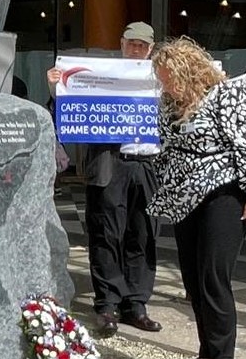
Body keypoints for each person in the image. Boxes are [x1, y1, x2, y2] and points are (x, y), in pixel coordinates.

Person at [149, 37, 246, 359]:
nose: (164, 83)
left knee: (213, 276)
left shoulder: (227, 95)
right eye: (160, 77)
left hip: (225, 193)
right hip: (186, 196)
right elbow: (167, 146)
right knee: (191, 277)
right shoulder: (169, 103)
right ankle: (206, 353)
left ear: (188, 71)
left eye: (168, 76)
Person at [46, 21, 162, 337]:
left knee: (143, 235)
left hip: (148, 165)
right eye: (131, 44)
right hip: (110, 165)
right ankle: (108, 304)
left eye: (142, 45)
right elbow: (71, 108)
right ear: (121, 44)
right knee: (106, 234)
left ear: (150, 49)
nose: (136, 49)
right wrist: (57, 88)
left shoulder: (160, 78)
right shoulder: (100, 74)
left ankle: (136, 305)